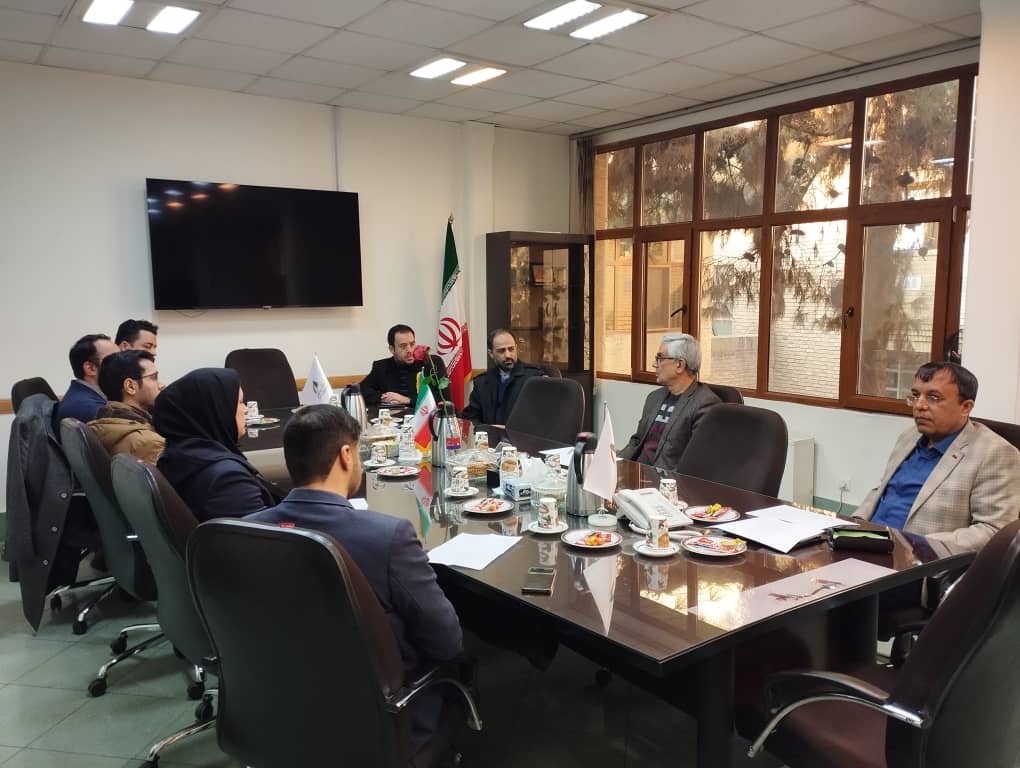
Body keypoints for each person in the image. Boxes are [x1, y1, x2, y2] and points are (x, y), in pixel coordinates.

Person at [246, 404, 463, 749]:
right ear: (346, 456)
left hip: (283, 709)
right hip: (381, 722)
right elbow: (447, 641)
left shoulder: (248, 531)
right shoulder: (388, 537)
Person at [854, 362, 1020, 556]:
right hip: (867, 544)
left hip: (919, 562)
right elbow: (882, 490)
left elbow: (994, 531)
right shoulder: (909, 437)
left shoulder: (995, 453)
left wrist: (914, 544)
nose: (919, 405)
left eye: (933, 398)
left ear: (965, 407)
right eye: (916, 395)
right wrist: (851, 525)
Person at [154, 368, 283, 521]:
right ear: (216, 410)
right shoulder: (227, 479)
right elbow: (262, 533)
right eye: (240, 402)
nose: (245, 410)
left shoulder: (177, 454)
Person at [618, 333, 720, 471]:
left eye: (660, 358)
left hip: (664, 480)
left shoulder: (705, 405)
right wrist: (614, 462)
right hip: (636, 474)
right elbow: (636, 441)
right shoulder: (654, 397)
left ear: (679, 365)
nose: (654, 364)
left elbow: (695, 463)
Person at [89, 350, 165, 464]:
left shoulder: (106, 419)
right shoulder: (149, 443)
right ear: (130, 386)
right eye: (154, 378)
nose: (161, 385)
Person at [461, 328, 546, 427]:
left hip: (518, 436)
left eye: (511, 349)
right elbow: (470, 416)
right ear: (491, 353)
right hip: (489, 435)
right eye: (501, 351)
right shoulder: (482, 382)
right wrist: (487, 429)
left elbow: (542, 419)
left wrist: (509, 430)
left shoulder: (534, 378)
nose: (508, 355)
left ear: (516, 348)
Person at [360, 324, 449, 406]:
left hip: (425, 416)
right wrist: (385, 398)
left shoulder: (432, 362)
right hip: (393, 417)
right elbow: (362, 390)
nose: (409, 350)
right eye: (403, 346)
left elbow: (443, 398)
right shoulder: (381, 367)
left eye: (412, 344)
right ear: (392, 349)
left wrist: (407, 400)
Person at [56, 333, 120, 425]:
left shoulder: (80, 395)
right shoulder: (92, 409)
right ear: (90, 368)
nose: (123, 364)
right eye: (115, 359)